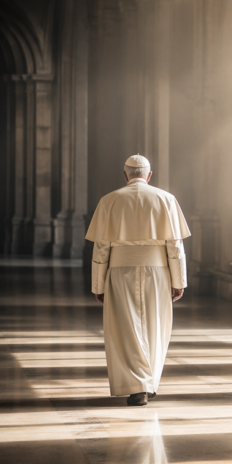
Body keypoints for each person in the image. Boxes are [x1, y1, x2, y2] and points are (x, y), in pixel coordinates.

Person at [85, 155, 190, 406]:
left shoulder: (109, 200)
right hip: (158, 272)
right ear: (149, 175)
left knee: (125, 329)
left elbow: (101, 248)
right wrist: (179, 280)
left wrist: (98, 285)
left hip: (120, 272)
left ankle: (138, 385)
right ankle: (148, 381)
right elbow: (175, 246)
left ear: (125, 175)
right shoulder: (166, 199)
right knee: (155, 325)